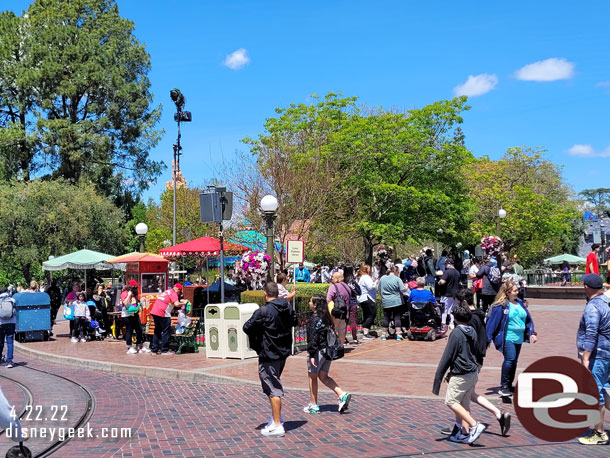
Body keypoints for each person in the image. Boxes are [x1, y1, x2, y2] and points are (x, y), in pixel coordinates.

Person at [440, 289, 511, 437]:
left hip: (470, 361)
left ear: (463, 302)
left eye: (458, 304)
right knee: (469, 393)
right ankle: (497, 414)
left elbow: (466, 344)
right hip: (476, 360)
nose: (456, 307)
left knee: (461, 396)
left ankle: (466, 428)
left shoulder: (469, 320)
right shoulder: (478, 315)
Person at [243, 282, 297, 437]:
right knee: (272, 384)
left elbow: (247, 327)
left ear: (265, 294)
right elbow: (294, 321)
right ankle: (275, 418)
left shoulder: (264, 311)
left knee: (273, 388)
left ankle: (278, 425)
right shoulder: (286, 307)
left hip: (269, 353)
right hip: (282, 352)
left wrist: (259, 337)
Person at [432, 302, 487, 444]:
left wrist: (438, 378)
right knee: (463, 404)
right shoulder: (471, 330)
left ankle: (474, 425)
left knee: (451, 401)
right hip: (472, 372)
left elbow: (447, 356)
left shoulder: (456, 333)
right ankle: (464, 432)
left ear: (455, 318)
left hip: (460, 373)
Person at [486, 280, 537, 397]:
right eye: (514, 291)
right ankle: (503, 386)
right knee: (510, 359)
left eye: (517, 290)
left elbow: (528, 319)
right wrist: (486, 339)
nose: (517, 292)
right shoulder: (501, 306)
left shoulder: (519, 303)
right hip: (507, 337)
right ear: (507, 293)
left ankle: (509, 385)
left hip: (518, 337)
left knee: (514, 361)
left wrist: (532, 333)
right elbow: (492, 323)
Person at [303, 294, 352, 414]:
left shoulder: (314, 319)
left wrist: (312, 354)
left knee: (312, 376)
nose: (309, 303)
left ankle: (313, 405)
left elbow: (313, 338)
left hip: (318, 351)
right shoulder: (326, 318)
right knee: (323, 376)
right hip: (328, 351)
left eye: (311, 301)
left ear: (315, 305)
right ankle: (341, 394)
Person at [576, 274, 610, 445]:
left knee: (597, 393)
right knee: (605, 389)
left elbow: (591, 333)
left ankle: (599, 433)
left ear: (587, 287)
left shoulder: (593, 307)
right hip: (608, 353)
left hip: (598, 354)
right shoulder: (606, 301)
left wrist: (585, 358)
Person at [149, 283, 186, 355]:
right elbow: (176, 304)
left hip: (154, 311)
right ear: (177, 289)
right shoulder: (173, 293)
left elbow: (167, 303)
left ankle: (154, 349)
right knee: (166, 331)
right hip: (163, 313)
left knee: (157, 330)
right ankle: (164, 350)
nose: (179, 294)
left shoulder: (167, 291)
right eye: (179, 292)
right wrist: (184, 303)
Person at [378, 265, 407, 341]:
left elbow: (379, 289)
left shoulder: (382, 278)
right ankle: (398, 334)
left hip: (386, 301)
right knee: (397, 317)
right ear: (396, 271)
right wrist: (406, 287)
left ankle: (384, 334)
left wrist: (383, 297)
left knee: (386, 317)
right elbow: (403, 290)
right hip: (396, 301)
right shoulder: (397, 279)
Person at [122, 284, 148, 354]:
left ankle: (140, 345)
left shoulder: (134, 294)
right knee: (129, 330)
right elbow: (124, 302)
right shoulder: (125, 293)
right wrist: (129, 295)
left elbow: (136, 303)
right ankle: (129, 346)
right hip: (127, 314)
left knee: (139, 329)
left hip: (134, 313)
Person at [326, 272, 351, 345]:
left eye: (333, 277)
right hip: (344, 312)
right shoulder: (347, 286)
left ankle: (332, 346)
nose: (332, 278)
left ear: (337, 279)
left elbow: (328, 299)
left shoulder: (333, 287)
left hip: (335, 312)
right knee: (342, 330)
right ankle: (341, 346)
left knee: (333, 329)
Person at [357, 264, 377, 340]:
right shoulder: (366, 277)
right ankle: (366, 332)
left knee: (367, 315)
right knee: (371, 314)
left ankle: (365, 329)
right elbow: (370, 287)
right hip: (367, 298)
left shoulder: (362, 277)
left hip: (363, 298)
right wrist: (375, 282)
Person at [438, 260, 460, 329]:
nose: (444, 265)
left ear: (449, 264)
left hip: (446, 294)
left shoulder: (447, 272)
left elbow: (442, 282)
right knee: (452, 309)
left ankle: (443, 323)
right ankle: (452, 323)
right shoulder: (457, 272)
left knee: (444, 309)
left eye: (445, 264)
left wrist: (439, 281)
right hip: (455, 293)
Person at [342, 264, 361, 345]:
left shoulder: (342, 281)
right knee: (353, 321)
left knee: (344, 322)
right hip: (352, 303)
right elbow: (359, 292)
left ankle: (343, 338)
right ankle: (355, 338)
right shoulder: (352, 282)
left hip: (343, 304)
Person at [0, 288, 17, 368]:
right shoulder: (12, 300)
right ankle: (9, 361)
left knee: (1, 342)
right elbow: (15, 311)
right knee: (10, 342)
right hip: (11, 323)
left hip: (1, 323)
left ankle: (0, 359)